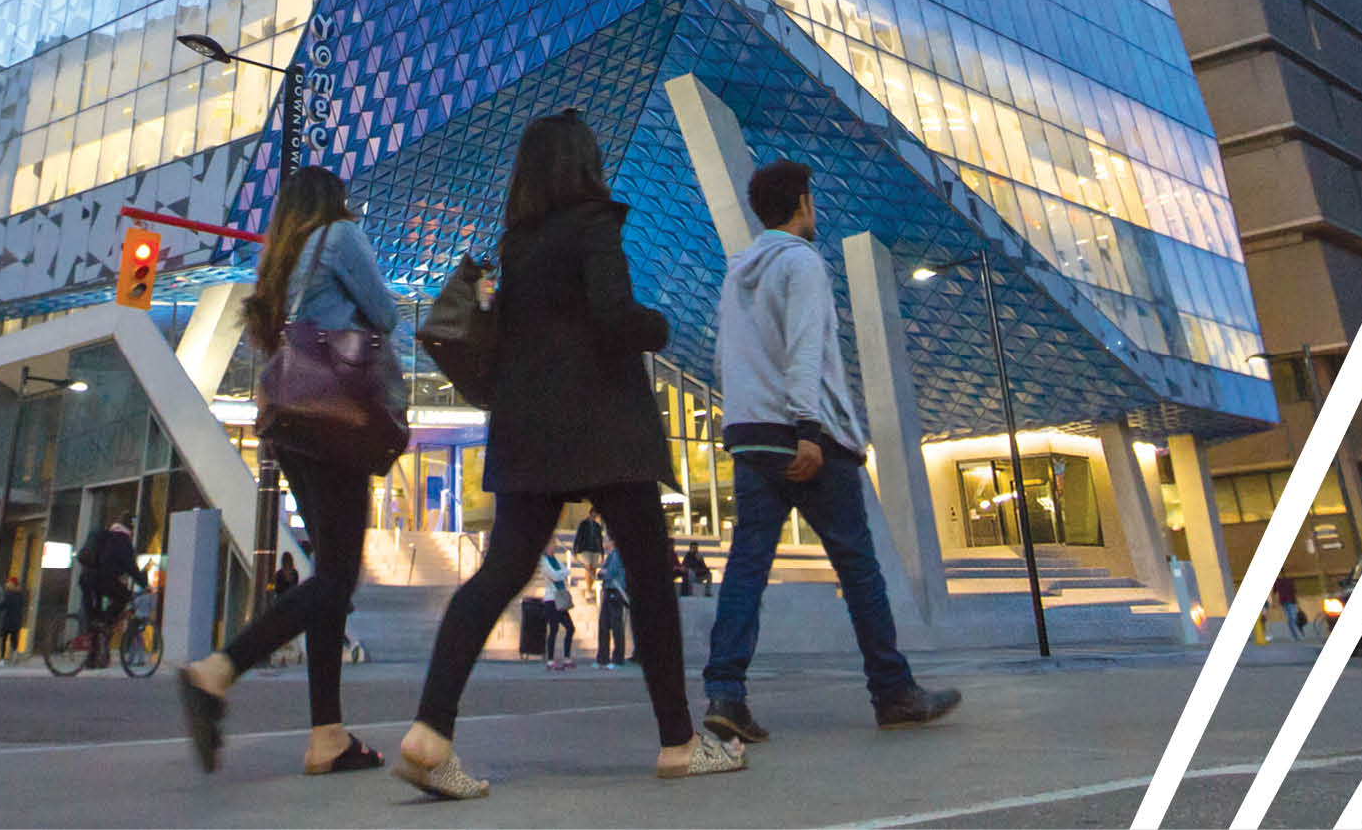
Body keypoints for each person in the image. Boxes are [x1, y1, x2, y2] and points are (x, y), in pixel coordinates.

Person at [392, 110, 743, 800]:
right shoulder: (595, 223)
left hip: (527, 429)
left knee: (498, 574)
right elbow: (615, 319)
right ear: (583, 163)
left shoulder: (515, 245)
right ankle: (679, 740)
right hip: (605, 427)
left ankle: (429, 732)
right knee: (647, 574)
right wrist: (661, 325)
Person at [703, 160, 961, 744]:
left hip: (750, 435)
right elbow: (806, 349)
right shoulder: (802, 262)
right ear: (800, 204)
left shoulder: (737, 270)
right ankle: (893, 691)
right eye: (812, 198)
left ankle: (726, 694)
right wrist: (809, 429)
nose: (814, 208)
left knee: (748, 565)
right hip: (806, 436)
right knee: (859, 566)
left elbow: (724, 360)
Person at [177, 166, 399, 778]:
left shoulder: (281, 259)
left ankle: (327, 734)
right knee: (337, 579)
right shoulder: (340, 238)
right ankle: (219, 670)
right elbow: (386, 315)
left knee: (330, 575)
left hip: (290, 425)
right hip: (333, 420)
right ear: (333, 201)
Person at [540, 544, 579, 670]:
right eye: (551, 544)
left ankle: (567, 658)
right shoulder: (544, 562)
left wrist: (562, 573)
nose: (554, 546)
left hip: (560, 598)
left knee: (570, 628)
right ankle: (550, 661)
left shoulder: (556, 560)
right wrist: (563, 573)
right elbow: (555, 575)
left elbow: (565, 571)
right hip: (551, 600)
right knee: (554, 629)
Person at [598, 544, 631, 669]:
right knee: (603, 625)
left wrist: (603, 572)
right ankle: (603, 658)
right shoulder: (610, 556)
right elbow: (601, 573)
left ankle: (618, 659)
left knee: (616, 625)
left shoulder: (617, 554)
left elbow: (610, 572)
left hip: (616, 592)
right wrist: (602, 572)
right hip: (607, 590)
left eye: (606, 539)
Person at [574, 512, 608, 595]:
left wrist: (602, 553)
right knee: (588, 567)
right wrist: (575, 549)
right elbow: (578, 536)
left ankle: (591, 587)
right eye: (593, 514)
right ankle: (588, 589)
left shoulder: (597, 526)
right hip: (585, 548)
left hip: (595, 549)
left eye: (596, 515)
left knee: (594, 569)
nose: (594, 516)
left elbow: (600, 540)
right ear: (589, 514)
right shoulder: (583, 524)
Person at [0, 579, 28, 664]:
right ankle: (14, 658)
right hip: (17, 620)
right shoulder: (20, 595)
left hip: (8, 619)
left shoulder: (7, 594)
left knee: (4, 639)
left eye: (8, 583)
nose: (6, 584)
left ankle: (2, 659)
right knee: (14, 639)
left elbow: (3, 605)